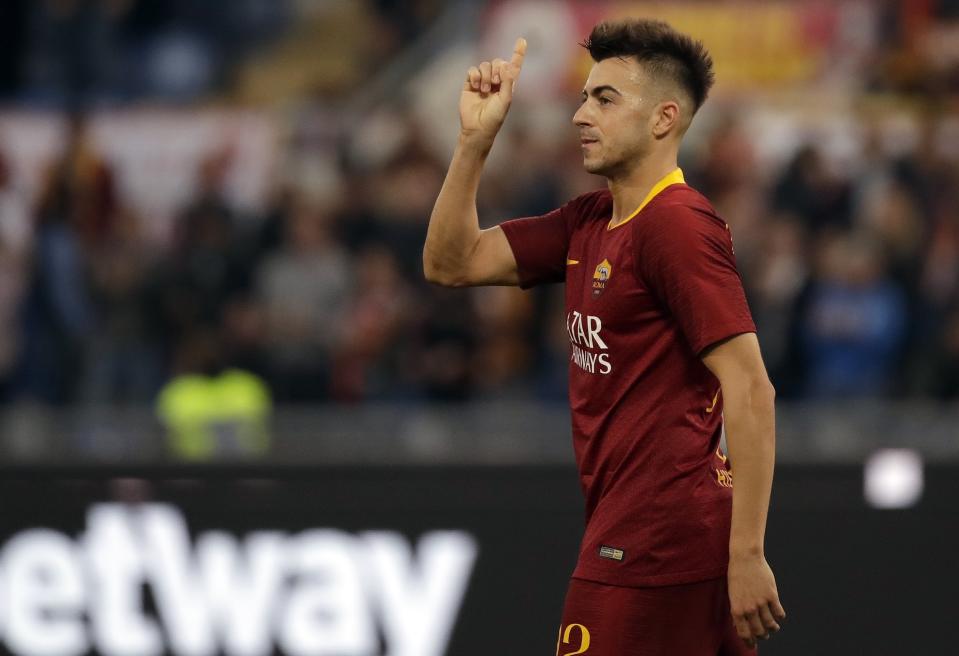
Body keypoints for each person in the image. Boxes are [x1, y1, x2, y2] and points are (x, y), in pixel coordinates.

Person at [423, 18, 785, 656]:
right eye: (584, 96)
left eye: (604, 98)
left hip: (655, 540)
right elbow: (452, 263)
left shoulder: (675, 226)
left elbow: (750, 386)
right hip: (661, 531)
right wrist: (474, 141)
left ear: (663, 118)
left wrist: (748, 553)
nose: (579, 115)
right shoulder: (589, 219)